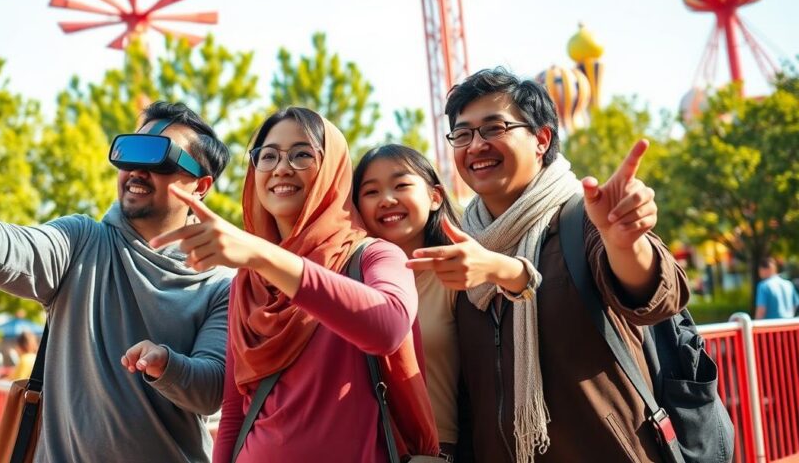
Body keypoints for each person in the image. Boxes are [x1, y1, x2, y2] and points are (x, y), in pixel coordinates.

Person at [0, 101, 235, 463]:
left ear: (199, 186)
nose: (136, 170)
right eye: (128, 155)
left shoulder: (221, 283)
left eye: (158, 159)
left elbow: (211, 389)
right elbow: (11, 252)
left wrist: (167, 364)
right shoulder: (82, 240)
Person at [408, 68, 689, 463]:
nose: (476, 145)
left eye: (494, 128)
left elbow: (658, 299)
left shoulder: (583, 218)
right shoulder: (460, 242)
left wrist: (626, 243)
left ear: (541, 140)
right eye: (463, 133)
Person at [151, 107, 439, 463]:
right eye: (267, 156)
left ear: (333, 170)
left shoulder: (373, 256)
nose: (281, 167)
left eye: (302, 154)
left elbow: (388, 327)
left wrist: (262, 256)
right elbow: (235, 411)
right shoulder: (249, 278)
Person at [353, 144, 468, 461]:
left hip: (435, 452)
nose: (387, 199)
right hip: (360, 447)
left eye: (401, 185)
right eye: (371, 191)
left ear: (435, 197)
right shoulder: (345, 283)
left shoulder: (459, 277)